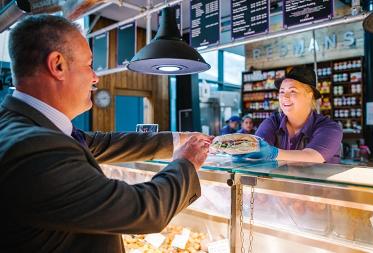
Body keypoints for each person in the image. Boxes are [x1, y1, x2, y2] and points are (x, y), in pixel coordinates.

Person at [0, 15, 213, 253]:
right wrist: (187, 162)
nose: (95, 77)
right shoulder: (34, 148)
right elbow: (143, 210)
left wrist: (178, 139)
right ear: (57, 65)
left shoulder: (22, 124)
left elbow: (102, 143)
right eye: (89, 65)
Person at [236, 66, 342, 163]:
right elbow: (255, 149)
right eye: (282, 92)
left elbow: (313, 156)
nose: (284, 97)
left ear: (309, 96)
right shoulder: (273, 122)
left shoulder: (330, 128)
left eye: (292, 91)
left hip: (317, 184)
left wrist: (274, 154)